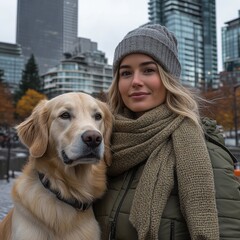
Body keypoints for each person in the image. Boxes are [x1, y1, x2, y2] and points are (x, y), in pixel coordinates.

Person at [93, 24, 219, 240]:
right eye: (126, 73)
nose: (135, 81)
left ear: (168, 78)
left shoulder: (205, 150)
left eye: (148, 70)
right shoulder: (98, 143)